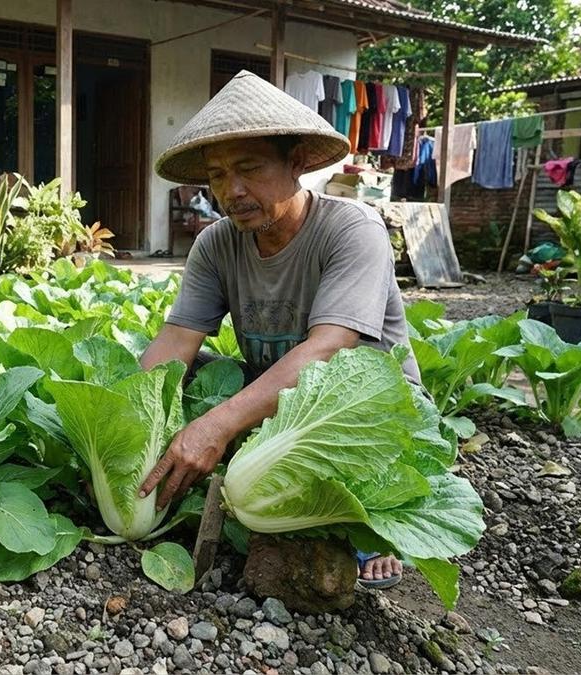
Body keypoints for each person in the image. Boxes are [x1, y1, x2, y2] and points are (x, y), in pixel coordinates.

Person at [137, 70, 422, 588]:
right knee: (181, 372)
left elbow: (331, 349)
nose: (232, 190)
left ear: (295, 163)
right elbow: (176, 343)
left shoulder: (351, 229)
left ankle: (375, 523)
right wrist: (126, 430)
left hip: (366, 407)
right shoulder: (215, 244)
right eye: (218, 175)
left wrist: (216, 426)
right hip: (277, 397)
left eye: (249, 168)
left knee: (343, 478)